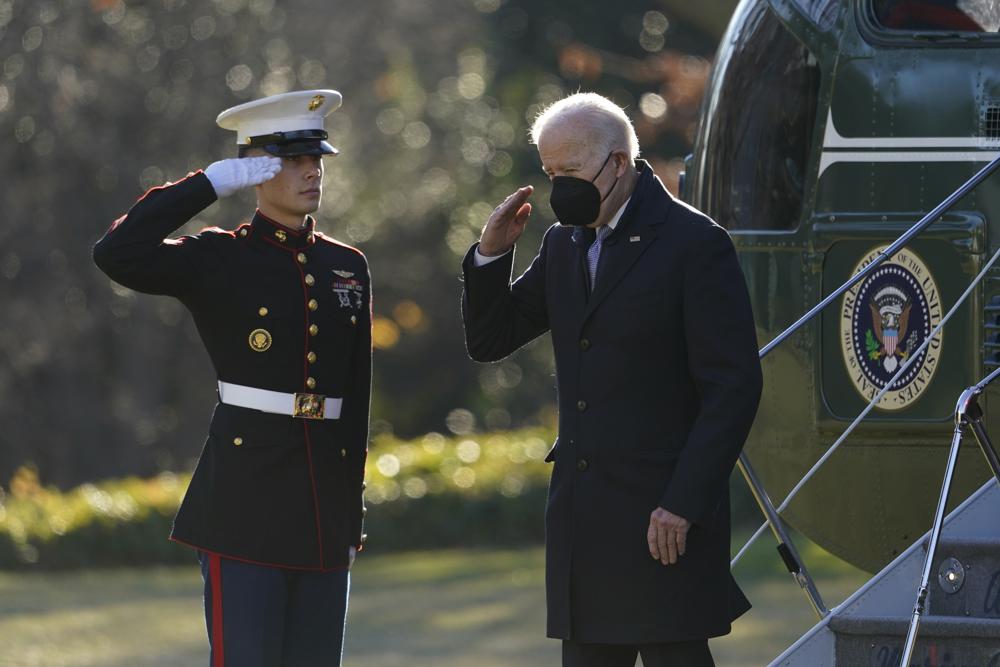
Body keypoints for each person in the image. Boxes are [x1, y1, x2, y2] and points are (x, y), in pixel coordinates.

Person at [461, 92, 763, 667]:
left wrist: (683, 503)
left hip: (664, 524)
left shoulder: (694, 244)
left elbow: (734, 388)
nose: (559, 188)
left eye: (570, 172)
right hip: (585, 523)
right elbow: (490, 340)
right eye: (550, 174)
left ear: (618, 163)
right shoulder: (561, 243)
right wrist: (490, 257)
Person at [93, 89, 371, 667]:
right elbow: (117, 252)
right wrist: (209, 184)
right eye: (293, 159)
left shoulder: (346, 264)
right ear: (258, 166)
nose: (311, 170)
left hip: (322, 505)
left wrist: (351, 508)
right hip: (244, 501)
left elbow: (356, 394)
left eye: (316, 158)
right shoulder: (219, 257)